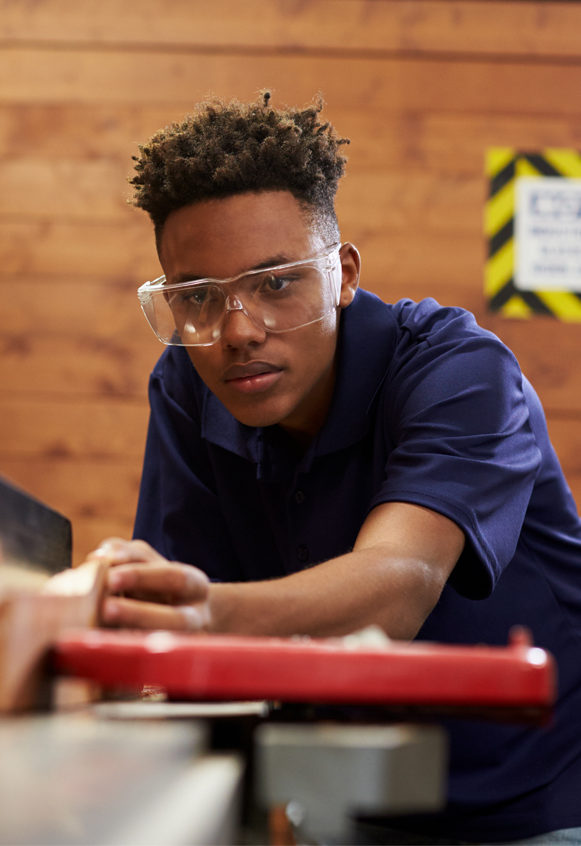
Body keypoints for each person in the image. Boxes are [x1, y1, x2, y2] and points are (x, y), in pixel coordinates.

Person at [87, 93, 581, 844]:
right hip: (350, 801)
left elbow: (399, 585)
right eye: (197, 298)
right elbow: (190, 630)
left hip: (539, 800)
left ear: (343, 273)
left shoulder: (462, 372)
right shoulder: (186, 387)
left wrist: (204, 615)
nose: (238, 332)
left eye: (276, 282)